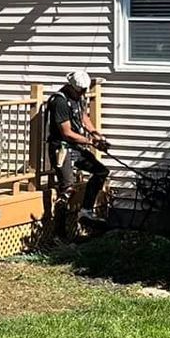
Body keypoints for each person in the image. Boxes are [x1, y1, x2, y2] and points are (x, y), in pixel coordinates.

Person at [47, 69, 110, 233]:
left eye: (84, 91)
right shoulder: (59, 101)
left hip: (76, 147)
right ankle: (58, 233)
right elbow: (66, 133)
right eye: (80, 90)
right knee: (67, 189)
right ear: (71, 87)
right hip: (61, 148)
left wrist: (96, 134)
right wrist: (91, 142)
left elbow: (84, 117)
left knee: (101, 171)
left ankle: (86, 212)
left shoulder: (79, 97)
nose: (82, 93)